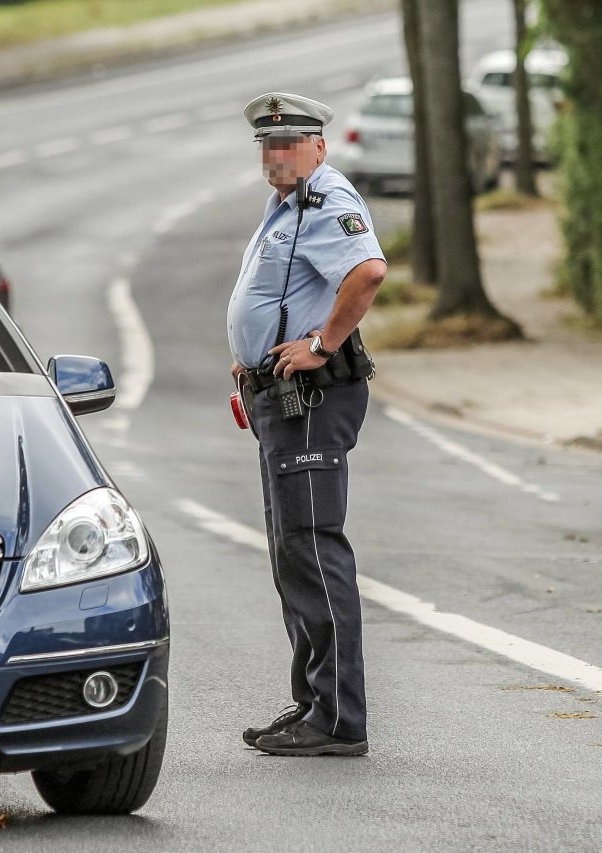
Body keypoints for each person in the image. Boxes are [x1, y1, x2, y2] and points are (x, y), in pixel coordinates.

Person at [228, 92, 387, 757]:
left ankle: (338, 718)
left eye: (289, 141)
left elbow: (369, 271)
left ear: (318, 145)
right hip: (279, 398)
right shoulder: (288, 208)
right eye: (268, 143)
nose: (277, 153)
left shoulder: (327, 202)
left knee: (314, 550)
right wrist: (248, 362)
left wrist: (320, 343)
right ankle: (313, 701)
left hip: (312, 400)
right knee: (293, 552)